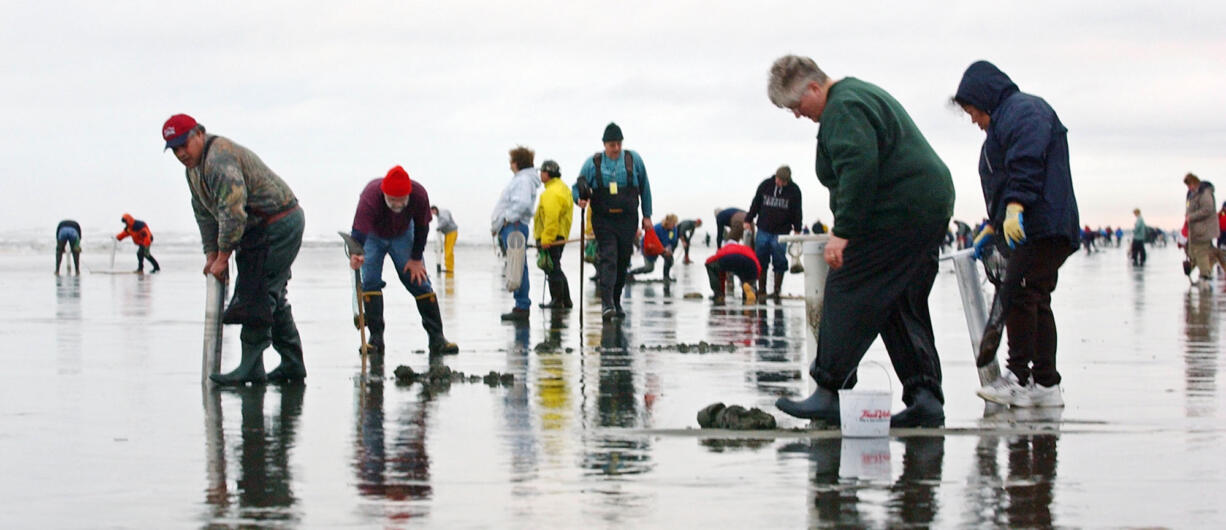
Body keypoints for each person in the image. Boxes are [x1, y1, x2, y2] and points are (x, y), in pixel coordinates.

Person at [767, 55, 954, 428]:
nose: (796, 114)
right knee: (899, 301)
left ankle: (829, 390)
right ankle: (925, 398)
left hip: (900, 212)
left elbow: (858, 167)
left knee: (848, 287)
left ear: (815, 88)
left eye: (795, 105)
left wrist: (844, 232)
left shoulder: (844, 109)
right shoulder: (854, 96)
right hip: (922, 208)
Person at [954, 60, 1081, 408]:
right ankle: (1045, 384)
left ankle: (1019, 377)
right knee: (1035, 296)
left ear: (985, 100)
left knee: (1021, 295)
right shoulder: (1005, 122)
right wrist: (994, 224)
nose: (974, 121)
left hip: (1042, 225)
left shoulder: (1023, 111)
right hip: (1035, 225)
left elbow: (1026, 162)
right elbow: (1003, 178)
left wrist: (1016, 207)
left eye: (973, 112)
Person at [163, 113, 305, 385]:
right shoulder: (193, 171)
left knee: (259, 292)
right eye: (175, 149)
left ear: (199, 134)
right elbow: (205, 214)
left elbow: (232, 212)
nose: (181, 153)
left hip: (279, 222)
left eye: (184, 144)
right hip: (258, 230)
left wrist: (225, 255)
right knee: (273, 293)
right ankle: (292, 364)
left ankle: (251, 367)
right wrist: (212, 255)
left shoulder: (218, 160)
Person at [350, 165, 459, 355]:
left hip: (403, 234)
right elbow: (359, 229)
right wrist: (356, 253)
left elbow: (423, 227)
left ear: (409, 194)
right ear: (384, 193)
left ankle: (437, 338)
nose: (397, 204)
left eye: (401, 200)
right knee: (369, 281)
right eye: (392, 200)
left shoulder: (419, 195)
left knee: (419, 280)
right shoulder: (370, 196)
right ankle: (376, 340)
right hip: (374, 236)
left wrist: (416, 258)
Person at [572, 122, 652, 322]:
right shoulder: (593, 163)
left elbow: (645, 188)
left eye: (618, 144)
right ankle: (606, 303)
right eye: (611, 145)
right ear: (604, 145)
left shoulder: (634, 160)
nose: (615, 148)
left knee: (623, 260)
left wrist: (647, 215)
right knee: (609, 259)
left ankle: (616, 300)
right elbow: (577, 186)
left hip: (627, 219)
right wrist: (579, 198)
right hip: (603, 219)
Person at [492, 146, 541, 321]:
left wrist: (506, 218)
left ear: (517, 162)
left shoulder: (523, 181)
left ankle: (522, 305)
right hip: (515, 225)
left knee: (518, 264)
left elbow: (522, 204)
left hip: (515, 226)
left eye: (511, 161)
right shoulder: (524, 179)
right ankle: (521, 304)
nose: (509, 165)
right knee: (518, 263)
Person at [744, 165, 803, 302]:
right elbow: (756, 202)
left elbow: (797, 211)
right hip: (763, 229)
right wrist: (748, 219)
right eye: (778, 179)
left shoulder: (794, 191)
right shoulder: (766, 185)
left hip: (782, 233)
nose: (779, 182)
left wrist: (797, 228)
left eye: (782, 181)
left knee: (780, 260)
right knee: (760, 259)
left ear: (787, 181)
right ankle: (762, 290)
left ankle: (776, 291)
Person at [533, 159, 574, 309]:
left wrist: (546, 238)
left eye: (542, 172)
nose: (540, 175)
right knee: (555, 267)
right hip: (560, 234)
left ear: (547, 173)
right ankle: (565, 299)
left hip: (552, 237)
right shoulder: (561, 188)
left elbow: (551, 218)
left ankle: (557, 300)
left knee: (552, 269)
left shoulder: (552, 192)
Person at [705, 223, 759, 305]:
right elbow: (757, 264)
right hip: (750, 262)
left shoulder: (725, 249)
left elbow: (709, 261)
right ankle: (750, 290)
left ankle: (719, 295)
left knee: (711, 265)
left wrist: (721, 291)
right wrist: (755, 277)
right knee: (746, 278)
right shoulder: (744, 248)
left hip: (729, 258)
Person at [1184, 172, 1222, 282]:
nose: (1189, 188)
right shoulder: (1191, 194)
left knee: (1201, 252)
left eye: (1189, 185)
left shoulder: (1204, 192)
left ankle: (1205, 276)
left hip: (1204, 230)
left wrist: (1191, 217)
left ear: (1194, 182)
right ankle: (1203, 273)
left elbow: (1208, 209)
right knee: (1193, 252)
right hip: (1195, 230)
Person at [629, 214, 679, 281]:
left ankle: (666, 277)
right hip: (649, 248)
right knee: (649, 268)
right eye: (673, 224)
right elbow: (650, 241)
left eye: (675, 224)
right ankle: (630, 274)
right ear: (668, 222)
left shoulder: (673, 229)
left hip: (662, 248)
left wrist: (669, 249)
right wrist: (663, 249)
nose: (674, 226)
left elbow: (672, 241)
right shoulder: (657, 228)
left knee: (669, 259)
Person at [430, 206, 458, 273]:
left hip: (452, 232)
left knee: (449, 250)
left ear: (434, 209)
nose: (432, 214)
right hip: (448, 233)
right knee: (447, 250)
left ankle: (450, 268)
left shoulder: (442, 213)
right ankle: (448, 267)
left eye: (432, 212)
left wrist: (439, 227)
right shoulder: (440, 214)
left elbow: (446, 220)